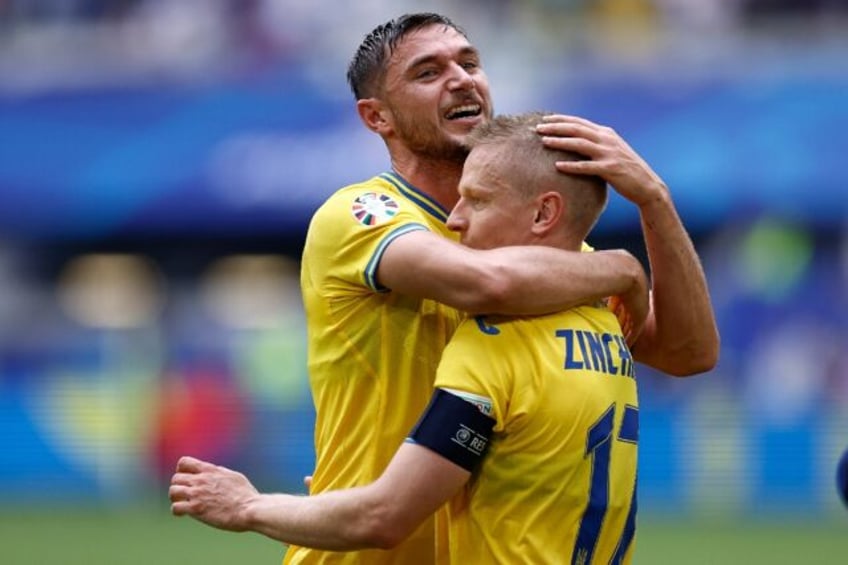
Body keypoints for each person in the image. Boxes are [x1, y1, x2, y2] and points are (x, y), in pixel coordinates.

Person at [173, 12, 718, 565]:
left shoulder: (557, 263)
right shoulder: (362, 215)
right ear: (376, 116)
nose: (461, 79)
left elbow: (687, 352)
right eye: (428, 72)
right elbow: (487, 283)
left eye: (470, 62)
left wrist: (655, 200)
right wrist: (624, 269)